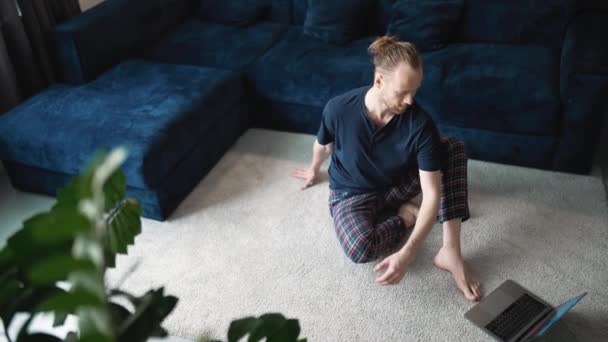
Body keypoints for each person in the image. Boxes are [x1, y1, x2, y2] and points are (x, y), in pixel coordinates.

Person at [291, 36, 482, 302]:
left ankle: (450, 252)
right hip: (351, 192)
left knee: (453, 148)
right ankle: (405, 216)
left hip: (397, 183)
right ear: (379, 81)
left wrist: (408, 252)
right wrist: (313, 168)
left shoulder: (420, 124)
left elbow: (431, 195)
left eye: (415, 91)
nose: (410, 100)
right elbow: (323, 145)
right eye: (403, 92)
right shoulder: (338, 109)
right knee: (359, 248)